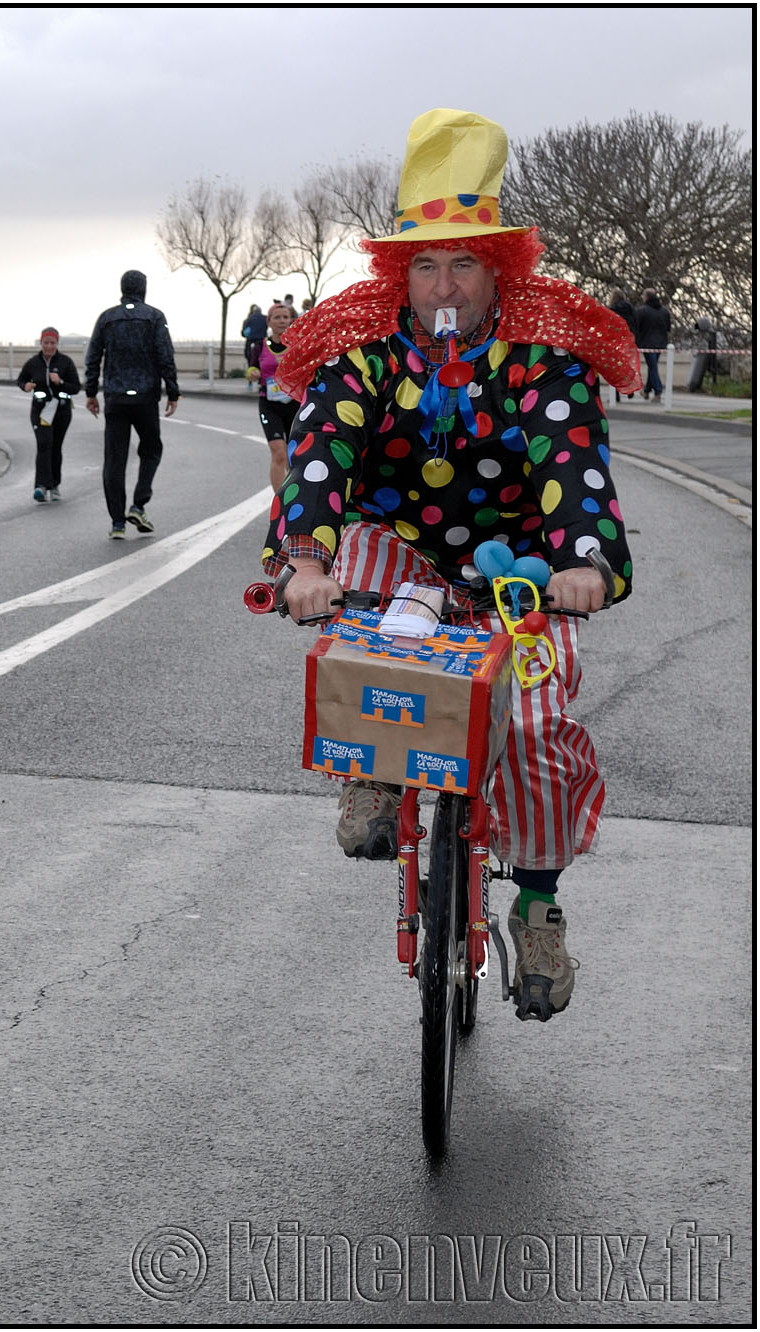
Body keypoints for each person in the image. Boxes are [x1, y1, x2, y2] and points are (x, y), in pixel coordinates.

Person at [264, 108, 640, 1023]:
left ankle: (540, 906)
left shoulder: (543, 356)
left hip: (519, 564)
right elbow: (323, 453)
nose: (443, 282)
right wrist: (305, 556)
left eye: (464, 261)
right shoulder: (363, 350)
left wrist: (584, 560)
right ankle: (375, 764)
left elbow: (570, 460)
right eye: (425, 263)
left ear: (497, 269)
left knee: (544, 728)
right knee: (364, 576)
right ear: (402, 272)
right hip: (402, 549)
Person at [83, 270, 180, 539]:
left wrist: (91, 392)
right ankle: (139, 503)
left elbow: (93, 357)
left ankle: (117, 522)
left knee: (114, 459)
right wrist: (172, 391)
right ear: (144, 288)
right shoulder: (155, 317)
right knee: (151, 449)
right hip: (146, 397)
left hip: (115, 398)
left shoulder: (106, 318)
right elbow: (165, 356)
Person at [18, 326, 82, 501]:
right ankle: (41, 486)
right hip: (41, 410)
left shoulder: (65, 362)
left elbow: (76, 387)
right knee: (44, 444)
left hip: (61, 410)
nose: (49, 347)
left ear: (57, 343)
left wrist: (60, 381)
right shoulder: (33, 362)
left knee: (55, 446)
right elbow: (21, 379)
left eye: (52, 343)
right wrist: (26, 386)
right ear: (41, 342)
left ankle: (54, 485)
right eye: (46, 343)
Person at [246, 301, 298, 490]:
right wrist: (252, 373)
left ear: (291, 320)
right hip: (269, 405)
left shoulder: (297, 345)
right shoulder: (259, 346)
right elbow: (252, 367)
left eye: (285, 317)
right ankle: (280, 503)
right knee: (279, 454)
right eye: (277, 317)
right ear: (269, 322)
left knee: (294, 454)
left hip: (295, 404)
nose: (282, 321)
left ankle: (295, 495)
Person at [634, 291, 671, 404]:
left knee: (653, 367)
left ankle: (658, 391)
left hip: (647, 343)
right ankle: (647, 390)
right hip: (660, 343)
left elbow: (637, 327)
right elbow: (668, 328)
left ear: (647, 297)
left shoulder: (642, 311)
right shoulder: (664, 311)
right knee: (652, 366)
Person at [606, 290, 639, 401]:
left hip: (616, 340)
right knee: (628, 365)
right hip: (629, 339)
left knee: (615, 367)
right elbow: (635, 322)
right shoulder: (631, 309)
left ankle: (616, 394)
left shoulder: (612, 309)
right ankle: (630, 388)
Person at [240, 303, 268, 370]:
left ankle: (250, 374)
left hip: (250, 341)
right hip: (262, 341)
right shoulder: (265, 318)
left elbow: (243, 333)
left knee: (249, 358)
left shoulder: (248, 319)